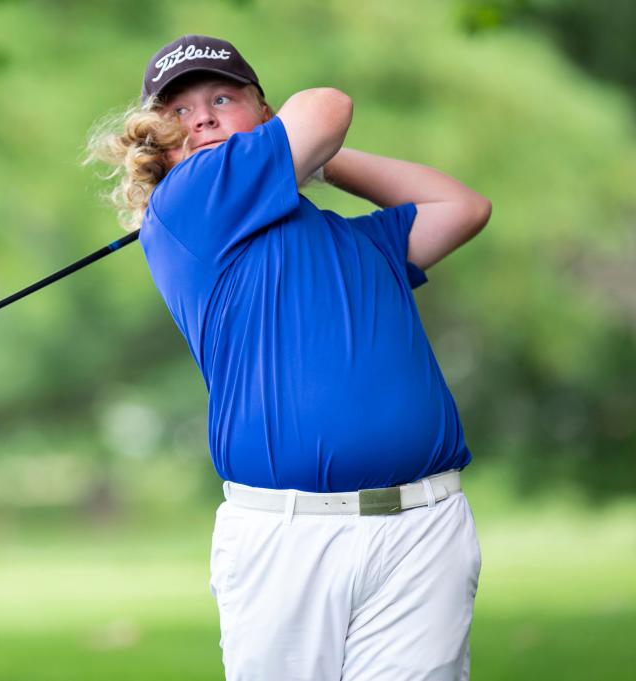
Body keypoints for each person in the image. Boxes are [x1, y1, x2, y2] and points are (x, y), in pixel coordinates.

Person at [86, 34, 491, 681]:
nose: (204, 119)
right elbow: (327, 107)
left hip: (423, 529)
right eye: (180, 113)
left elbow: (463, 208)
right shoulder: (189, 203)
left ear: (266, 116)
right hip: (288, 537)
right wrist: (299, 148)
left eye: (223, 98)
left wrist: (319, 161)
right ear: (158, 145)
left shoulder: (355, 242)